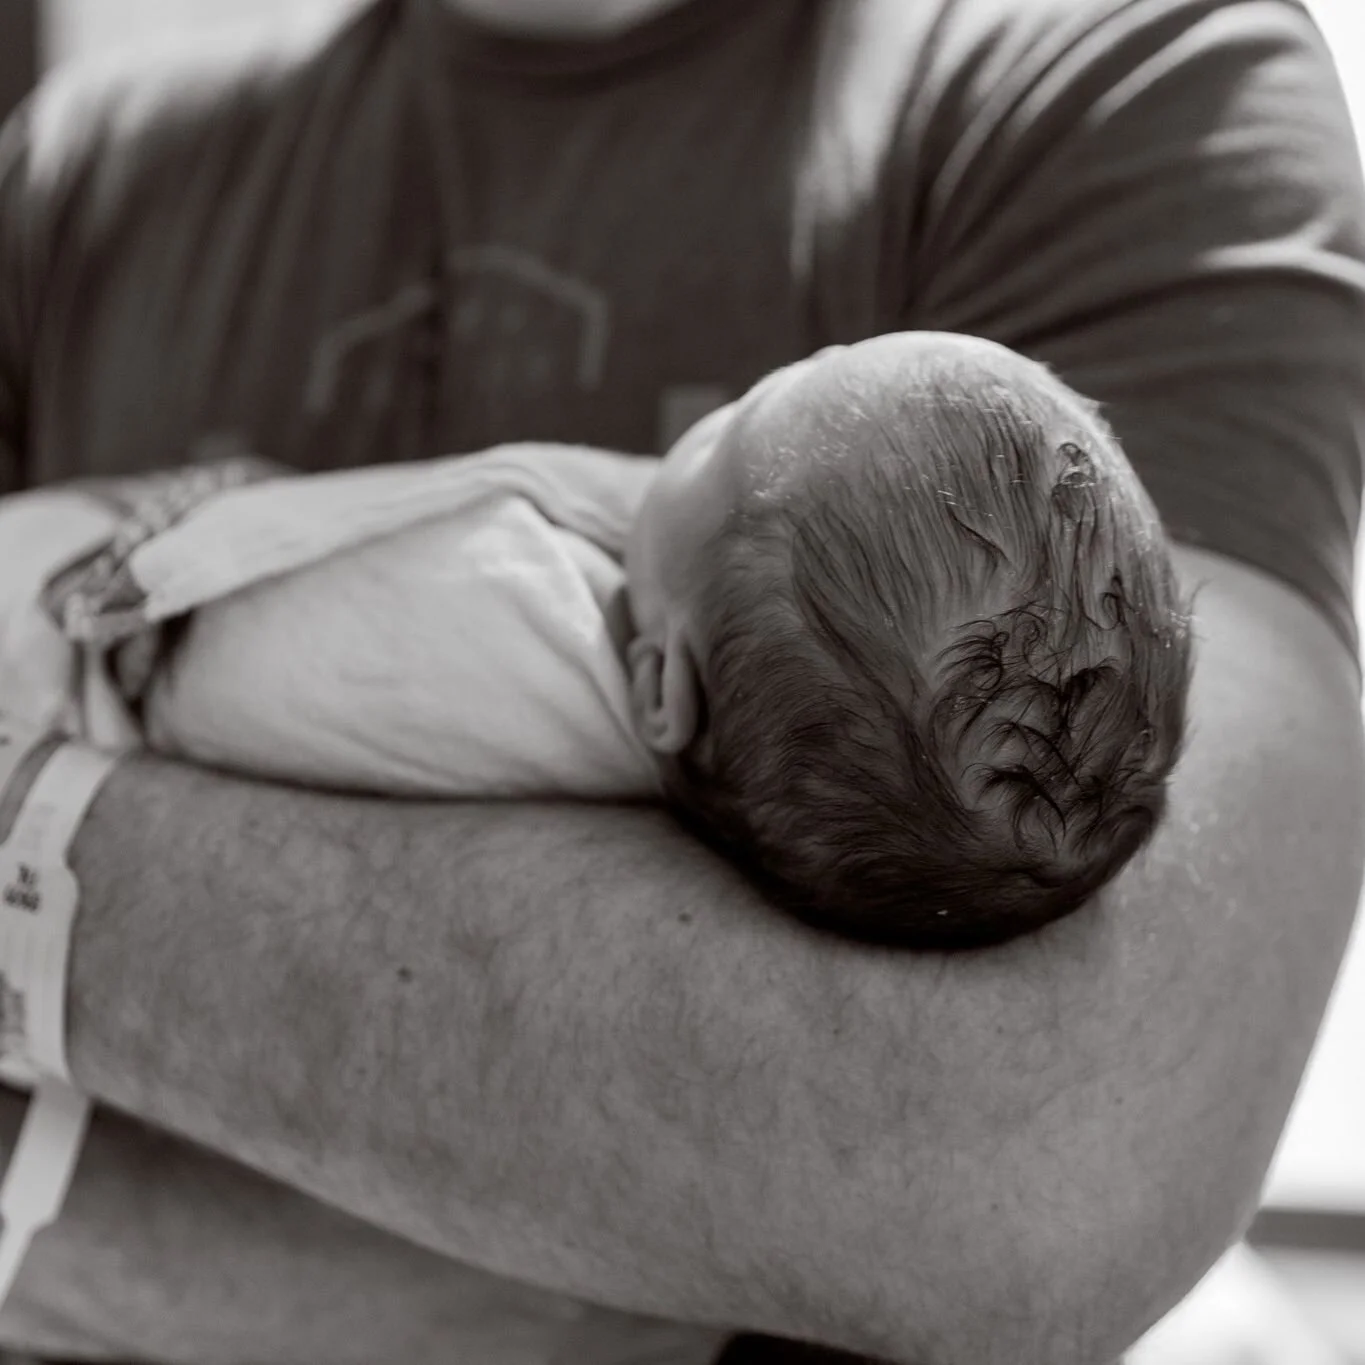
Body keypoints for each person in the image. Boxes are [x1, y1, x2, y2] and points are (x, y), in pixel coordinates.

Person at [0, 0, 1361, 1361]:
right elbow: (871, 1197)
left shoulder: (1110, 78)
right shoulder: (77, 175)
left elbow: (1036, 1170)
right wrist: (664, 1250)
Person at [6, 330, 1193, 952]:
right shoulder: (738, 726)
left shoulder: (498, 622)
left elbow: (231, 661)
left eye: (730, 427)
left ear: (658, 687)